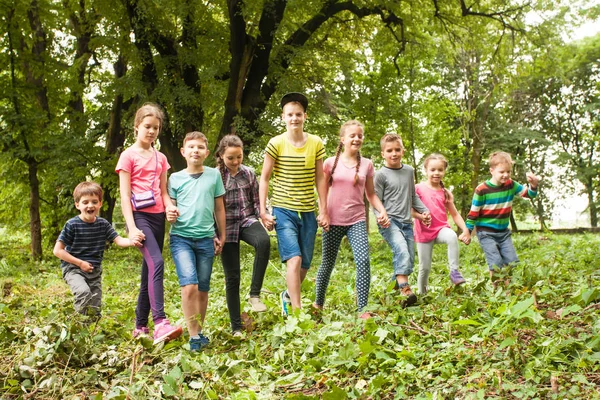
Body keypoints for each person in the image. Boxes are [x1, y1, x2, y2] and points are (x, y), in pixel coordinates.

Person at [116, 102, 183, 344]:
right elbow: (124, 195)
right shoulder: (128, 156)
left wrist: (170, 207)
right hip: (139, 218)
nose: (152, 131)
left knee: (149, 270)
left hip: (157, 218)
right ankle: (160, 323)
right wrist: (132, 227)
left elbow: (163, 191)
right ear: (136, 127)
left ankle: (140, 326)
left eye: (156, 128)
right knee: (157, 261)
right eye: (147, 126)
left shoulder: (161, 158)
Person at [259, 92, 329, 315]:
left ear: (305, 116)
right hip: (283, 209)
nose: (294, 118)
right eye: (290, 114)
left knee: (305, 263)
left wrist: (324, 210)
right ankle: (297, 312)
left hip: (308, 210)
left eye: (298, 114)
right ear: (283, 117)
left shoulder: (316, 143)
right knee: (294, 258)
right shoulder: (275, 143)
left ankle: (288, 295)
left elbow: (320, 178)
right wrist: (263, 211)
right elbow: (265, 177)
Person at [313, 120, 389, 317]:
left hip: (357, 220)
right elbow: (322, 189)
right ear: (343, 139)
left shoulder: (367, 164)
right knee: (327, 263)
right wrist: (323, 213)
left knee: (363, 260)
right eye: (352, 135)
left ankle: (362, 309)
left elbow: (371, 194)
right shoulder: (330, 163)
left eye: (360, 136)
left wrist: (381, 210)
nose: (357, 139)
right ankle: (318, 304)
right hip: (332, 220)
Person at [168, 131, 226, 351]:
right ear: (183, 152)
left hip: (205, 239)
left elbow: (219, 207)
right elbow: (170, 206)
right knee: (189, 285)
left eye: (200, 147)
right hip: (181, 238)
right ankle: (193, 337)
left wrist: (222, 235)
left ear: (207, 153)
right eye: (191, 147)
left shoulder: (214, 175)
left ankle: (199, 332)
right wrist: (170, 212)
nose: (195, 150)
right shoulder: (175, 178)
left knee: (202, 289)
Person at [53, 182, 139, 319]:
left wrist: (131, 241)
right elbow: (58, 251)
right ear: (77, 205)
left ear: (100, 204)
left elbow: (118, 240)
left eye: (94, 202)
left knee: (95, 305)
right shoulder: (72, 224)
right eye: (85, 202)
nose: (90, 205)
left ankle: (91, 332)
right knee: (83, 292)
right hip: (73, 268)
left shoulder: (103, 224)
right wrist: (80, 263)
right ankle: (78, 323)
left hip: (94, 270)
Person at [215, 134, 271, 335]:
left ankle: (254, 294)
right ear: (221, 156)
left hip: (246, 220)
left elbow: (256, 202)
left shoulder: (248, 173)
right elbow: (210, 208)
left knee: (263, 241)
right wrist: (215, 234)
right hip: (225, 227)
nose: (236, 161)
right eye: (231, 158)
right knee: (233, 277)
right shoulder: (215, 176)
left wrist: (264, 216)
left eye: (239, 156)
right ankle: (236, 326)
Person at [374, 133, 430, 308]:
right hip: (389, 222)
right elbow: (375, 200)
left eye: (397, 149)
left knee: (409, 260)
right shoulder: (380, 175)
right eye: (389, 150)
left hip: (406, 222)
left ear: (403, 151)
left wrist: (424, 211)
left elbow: (413, 196)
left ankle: (392, 292)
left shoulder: (409, 171)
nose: (394, 153)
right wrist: (380, 216)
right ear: (383, 153)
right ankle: (405, 289)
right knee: (402, 252)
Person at [465, 151, 539, 278]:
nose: (506, 175)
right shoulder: (481, 190)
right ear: (492, 171)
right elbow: (473, 213)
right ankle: (496, 287)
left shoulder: (511, 185)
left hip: (503, 233)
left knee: (512, 262)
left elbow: (529, 194)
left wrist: (533, 185)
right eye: (502, 172)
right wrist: (467, 232)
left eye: (508, 172)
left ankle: (508, 286)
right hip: (486, 232)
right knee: (496, 263)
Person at [413, 154, 471, 295]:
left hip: (440, 229)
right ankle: (422, 293)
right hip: (424, 233)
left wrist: (465, 230)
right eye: (432, 170)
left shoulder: (445, 193)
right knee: (424, 268)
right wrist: (420, 217)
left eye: (440, 170)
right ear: (426, 170)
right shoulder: (418, 188)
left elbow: (455, 214)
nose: (436, 173)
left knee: (451, 236)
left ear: (444, 171)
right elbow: (410, 210)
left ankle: (454, 272)